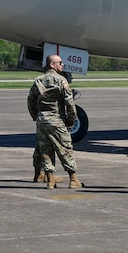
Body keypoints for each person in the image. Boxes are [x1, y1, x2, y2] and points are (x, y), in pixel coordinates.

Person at [27, 54, 82, 189]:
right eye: (60, 63)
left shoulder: (38, 80)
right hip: (56, 120)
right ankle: (73, 179)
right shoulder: (61, 80)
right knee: (65, 149)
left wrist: (36, 116)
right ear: (52, 65)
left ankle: (50, 180)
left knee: (45, 150)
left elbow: (30, 101)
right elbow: (70, 103)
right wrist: (71, 120)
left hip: (42, 120)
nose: (62, 65)